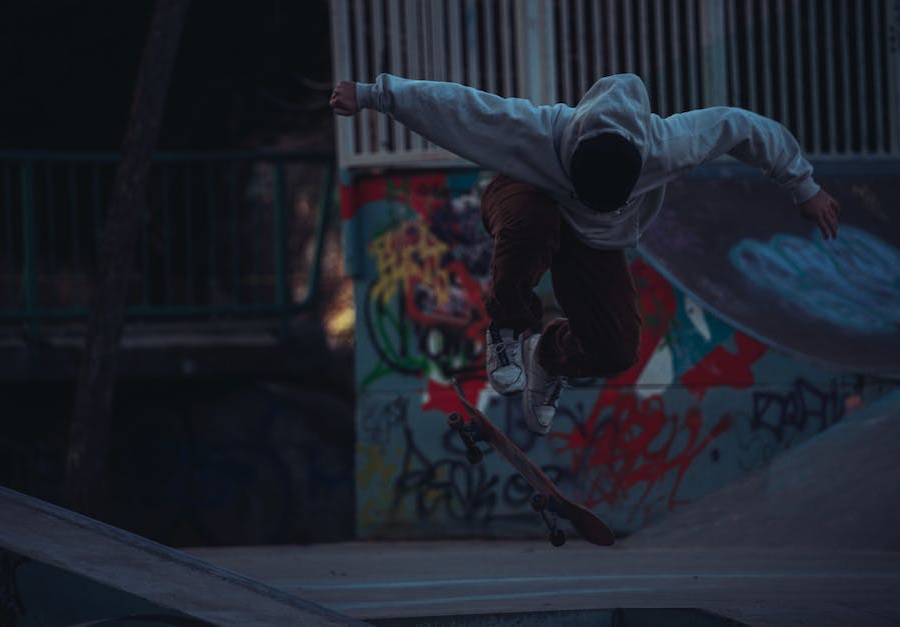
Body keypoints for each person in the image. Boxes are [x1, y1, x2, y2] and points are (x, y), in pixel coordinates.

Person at [330, 73, 841, 435]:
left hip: (594, 240)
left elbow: (743, 125)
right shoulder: (539, 130)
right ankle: (507, 330)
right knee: (535, 221)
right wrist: (374, 95)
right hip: (522, 195)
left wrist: (804, 186)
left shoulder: (668, 144)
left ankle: (547, 355)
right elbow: (458, 106)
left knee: (617, 348)